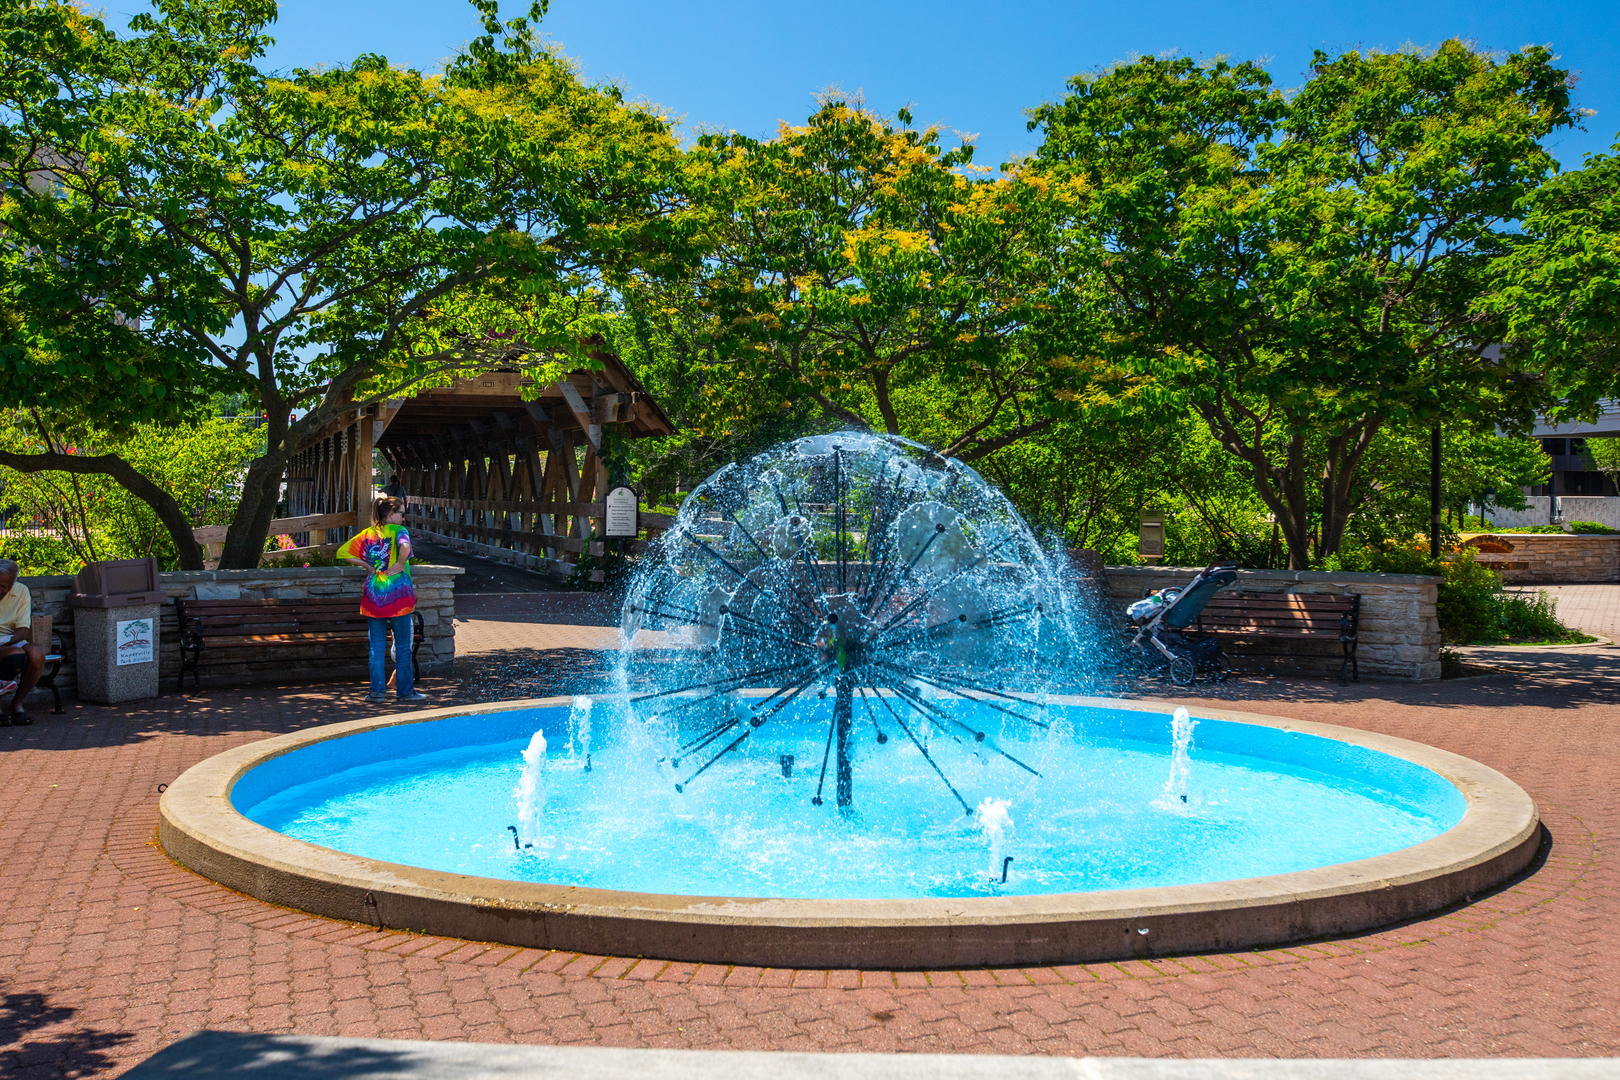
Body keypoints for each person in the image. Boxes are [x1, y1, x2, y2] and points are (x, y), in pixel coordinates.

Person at [339, 497, 427, 704]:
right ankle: (405, 692)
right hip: (398, 595)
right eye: (402, 514)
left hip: (373, 595)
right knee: (403, 646)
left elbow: (343, 552)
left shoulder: (368, 534)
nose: (403, 518)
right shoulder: (399, 531)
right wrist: (400, 562)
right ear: (391, 514)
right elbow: (405, 546)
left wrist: (366, 566)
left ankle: (377, 692)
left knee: (376, 646)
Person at [0, 558, 45, 725]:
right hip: (8, 646)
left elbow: (23, 630)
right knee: (15, 655)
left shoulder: (21, 591)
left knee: (37, 653)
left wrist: (6, 640)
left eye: (4, 586)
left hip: (9, 638)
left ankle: (17, 704)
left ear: (13, 583)